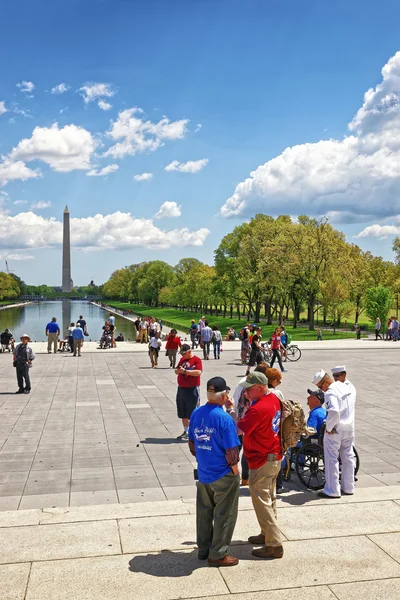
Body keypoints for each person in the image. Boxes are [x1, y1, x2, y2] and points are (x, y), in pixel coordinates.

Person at [188, 377, 240, 567]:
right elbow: (232, 451)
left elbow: (192, 443)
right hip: (222, 473)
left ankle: (203, 549)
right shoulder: (224, 418)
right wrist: (235, 472)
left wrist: (203, 457)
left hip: (204, 471)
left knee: (204, 512)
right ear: (224, 394)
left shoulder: (196, 413)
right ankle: (218, 554)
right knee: (224, 514)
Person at [236, 372, 284, 559]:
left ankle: (274, 544)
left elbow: (239, 429)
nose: (246, 391)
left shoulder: (258, 409)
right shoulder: (273, 399)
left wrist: (231, 413)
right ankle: (267, 534)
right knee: (269, 497)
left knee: (261, 500)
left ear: (261, 387)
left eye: (250, 388)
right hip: (273, 456)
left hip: (262, 459)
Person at [312, 369, 355, 499]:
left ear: (325, 381)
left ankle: (332, 490)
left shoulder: (331, 391)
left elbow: (334, 411)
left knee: (331, 458)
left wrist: (329, 427)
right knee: (348, 457)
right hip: (349, 427)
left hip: (336, 428)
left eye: (320, 386)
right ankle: (348, 487)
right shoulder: (346, 386)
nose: (321, 389)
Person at [175, 344, 203, 440]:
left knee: (193, 412)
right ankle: (186, 431)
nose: (182, 356)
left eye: (184, 353)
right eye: (181, 353)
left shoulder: (196, 360)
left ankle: (194, 431)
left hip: (192, 389)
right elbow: (177, 369)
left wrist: (185, 372)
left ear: (189, 352)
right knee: (182, 411)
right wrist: (178, 371)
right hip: (181, 388)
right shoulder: (182, 360)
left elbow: (198, 372)